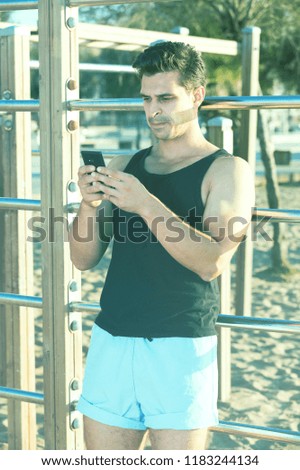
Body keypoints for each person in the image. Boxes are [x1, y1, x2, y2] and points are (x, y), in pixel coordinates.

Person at [69, 41, 255, 450]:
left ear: (197, 95)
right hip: (112, 339)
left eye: (167, 98)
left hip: (179, 347)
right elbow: (81, 259)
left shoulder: (226, 170)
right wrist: (88, 203)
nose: (154, 110)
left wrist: (145, 204)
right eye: (147, 98)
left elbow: (212, 261)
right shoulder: (123, 168)